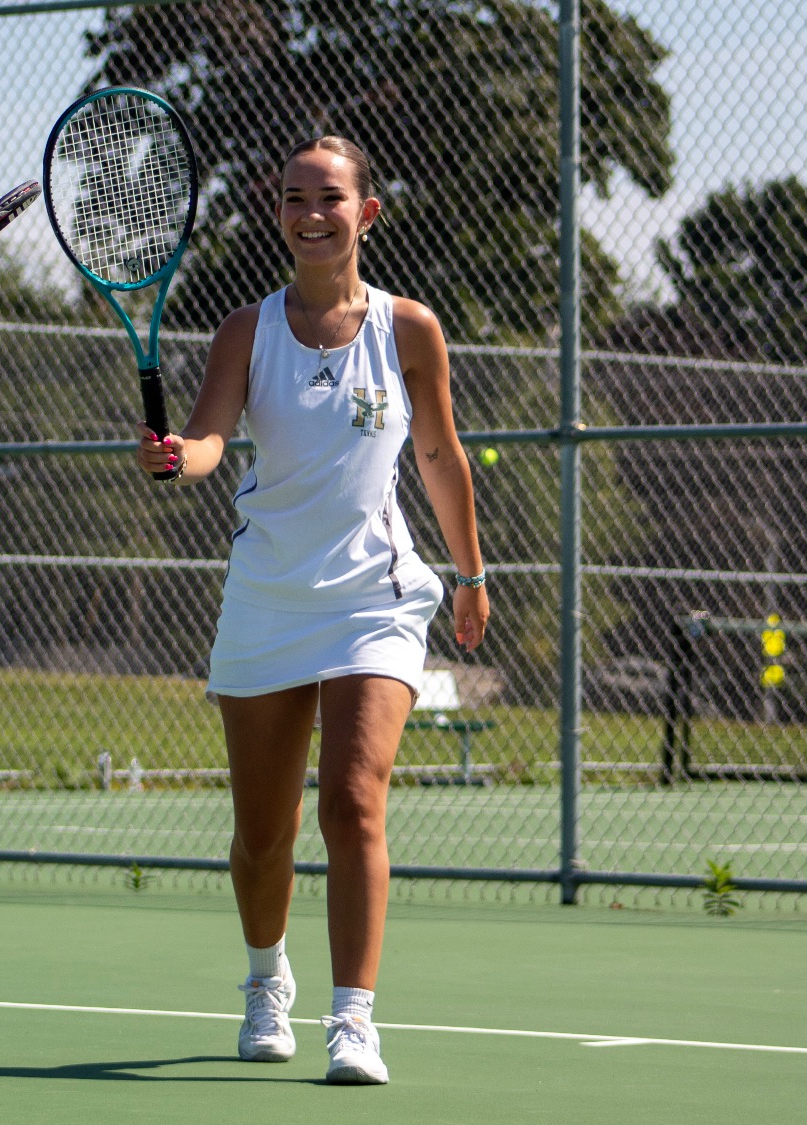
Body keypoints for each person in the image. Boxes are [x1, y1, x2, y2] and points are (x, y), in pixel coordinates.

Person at [134, 136, 489, 1085]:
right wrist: (180, 453)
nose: (309, 213)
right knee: (262, 833)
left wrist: (470, 572)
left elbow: (442, 457)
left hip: (376, 597)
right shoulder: (245, 332)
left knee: (352, 803)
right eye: (293, 197)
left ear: (364, 213)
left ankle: (355, 1019)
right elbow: (209, 437)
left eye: (328, 197)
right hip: (267, 597)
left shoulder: (410, 329)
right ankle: (264, 979)